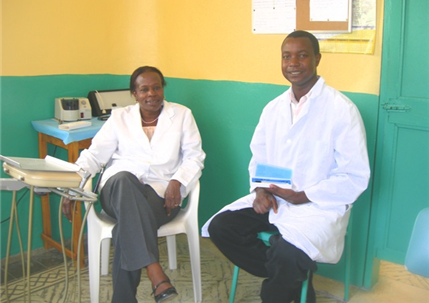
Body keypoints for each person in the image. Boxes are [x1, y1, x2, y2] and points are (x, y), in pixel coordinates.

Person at [202, 31, 370, 303]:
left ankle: (281, 284)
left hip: (317, 206)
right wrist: (260, 190)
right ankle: (294, 274)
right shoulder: (274, 108)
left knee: (289, 253)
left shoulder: (341, 110)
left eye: (302, 55)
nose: (293, 62)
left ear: (317, 58)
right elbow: (260, 155)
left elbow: (354, 176)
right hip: (275, 197)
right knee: (222, 227)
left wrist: (301, 196)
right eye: (286, 56)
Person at [64, 66, 205, 303]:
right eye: (144, 89)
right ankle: (154, 271)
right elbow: (95, 155)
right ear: (134, 94)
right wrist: (72, 185)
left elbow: (195, 156)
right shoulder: (120, 118)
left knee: (126, 229)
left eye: (156, 87)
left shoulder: (182, 115)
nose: (152, 94)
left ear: (163, 88)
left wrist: (178, 180)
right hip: (116, 191)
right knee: (123, 178)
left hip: (160, 195)